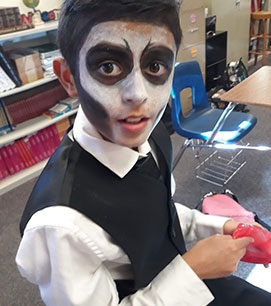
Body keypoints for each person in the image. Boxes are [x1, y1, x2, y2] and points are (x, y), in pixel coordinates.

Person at [16, 1, 271, 305]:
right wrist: (193, 269)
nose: (138, 94)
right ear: (69, 77)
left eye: (155, 66)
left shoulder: (150, 136)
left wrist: (220, 226)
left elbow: (158, 212)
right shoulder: (60, 226)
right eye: (108, 67)